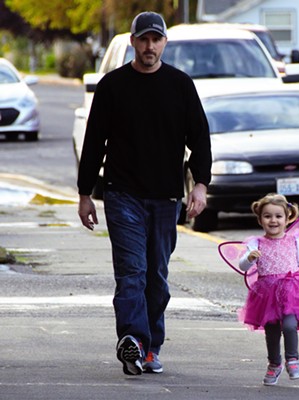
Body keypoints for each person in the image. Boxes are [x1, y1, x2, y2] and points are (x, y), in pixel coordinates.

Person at [77, 11, 212, 376]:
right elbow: (93, 144)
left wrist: (200, 184)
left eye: (156, 40)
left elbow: (199, 138)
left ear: (164, 43)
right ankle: (133, 341)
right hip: (122, 196)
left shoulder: (180, 86)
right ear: (133, 42)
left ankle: (150, 347)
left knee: (156, 277)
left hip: (166, 198)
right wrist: (85, 193)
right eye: (143, 39)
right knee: (132, 273)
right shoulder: (112, 86)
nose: (149, 46)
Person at [238, 193, 299, 386]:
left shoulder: (294, 241)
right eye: (268, 216)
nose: (273, 220)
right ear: (260, 219)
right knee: (271, 331)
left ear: (287, 218)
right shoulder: (256, 243)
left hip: (291, 291)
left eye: (278, 216)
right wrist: (249, 258)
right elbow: (243, 266)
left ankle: (293, 359)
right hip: (266, 293)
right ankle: (274, 364)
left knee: (290, 326)